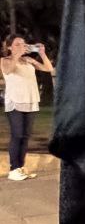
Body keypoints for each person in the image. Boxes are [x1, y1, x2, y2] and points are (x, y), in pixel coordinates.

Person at [2, 35, 54, 180]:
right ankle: (13, 169)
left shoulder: (28, 60)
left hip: (30, 101)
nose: (22, 46)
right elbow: (8, 71)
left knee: (25, 137)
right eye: (17, 44)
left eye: (24, 44)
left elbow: (49, 69)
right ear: (9, 47)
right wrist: (16, 55)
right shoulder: (5, 61)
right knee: (17, 135)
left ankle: (21, 167)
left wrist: (42, 53)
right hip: (15, 102)